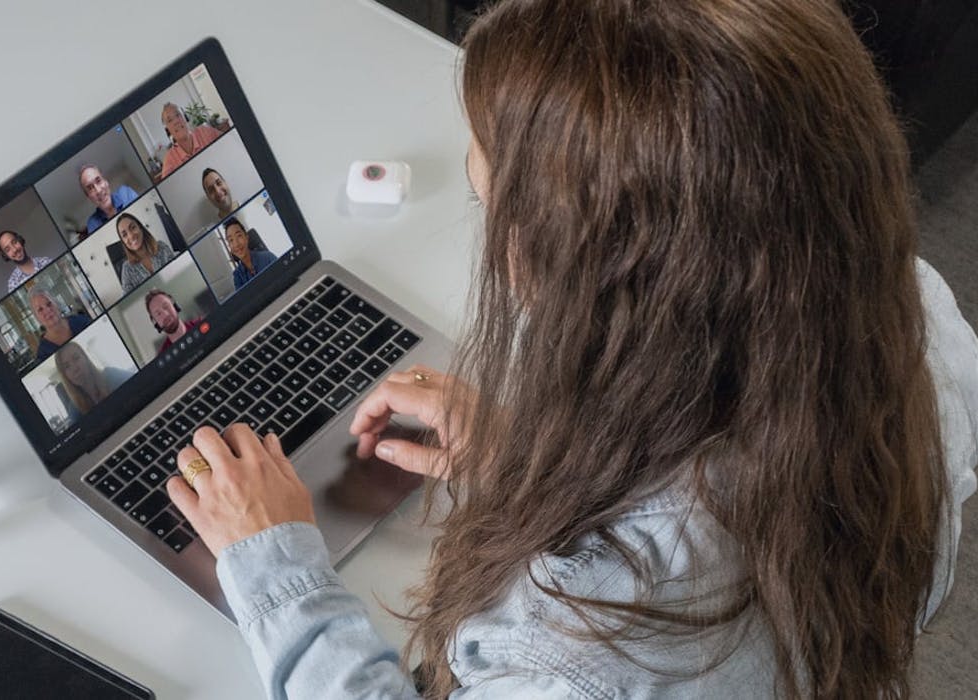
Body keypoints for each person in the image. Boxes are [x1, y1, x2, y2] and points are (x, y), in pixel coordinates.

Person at [163, 1, 978, 698]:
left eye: (495, 208)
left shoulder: (576, 652)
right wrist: (540, 463)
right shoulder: (919, 321)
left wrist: (276, 569)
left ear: (605, 270)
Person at [54, 341, 133, 416]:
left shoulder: (111, 374)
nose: (75, 368)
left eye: (76, 358)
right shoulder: (74, 410)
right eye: (67, 366)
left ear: (86, 358)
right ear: (65, 376)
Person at [158, 102, 223, 179]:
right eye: (170, 120)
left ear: (185, 117)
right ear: (167, 130)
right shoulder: (169, 161)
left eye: (178, 115)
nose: (176, 122)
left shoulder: (205, 132)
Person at [116, 213, 174, 293]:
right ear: (123, 242)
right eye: (124, 235)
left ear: (140, 228)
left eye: (133, 227)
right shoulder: (127, 268)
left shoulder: (162, 247)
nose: (131, 236)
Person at [29, 290, 89, 361]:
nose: (47, 310)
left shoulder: (81, 321)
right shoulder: (43, 354)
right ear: (37, 317)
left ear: (56, 304)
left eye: (49, 304)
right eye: (40, 309)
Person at [80, 164, 140, 233]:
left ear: (106, 182)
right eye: (90, 188)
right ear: (89, 197)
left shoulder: (126, 193)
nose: (98, 190)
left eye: (98, 181)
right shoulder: (92, 224)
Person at [145, 289, 202, 355]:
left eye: (166, 306)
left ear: (175, 306)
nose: (165, 315)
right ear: (155, 322)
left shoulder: (201, 323)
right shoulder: (163, 356)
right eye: (158, 313)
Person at [224, 218, 276, 290]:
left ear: (247, 237)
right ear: (229, 246)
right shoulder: (237, 276)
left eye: (239, 236)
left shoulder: (268, 257)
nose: (236, 244)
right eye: (231, 240)